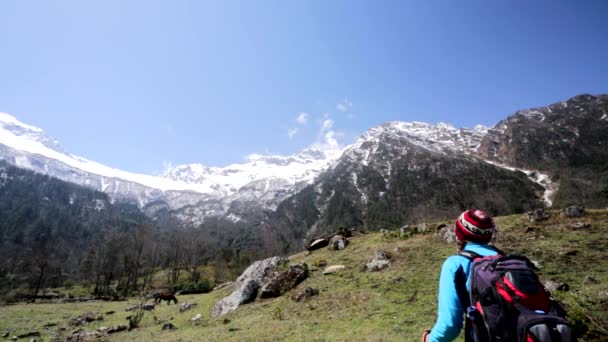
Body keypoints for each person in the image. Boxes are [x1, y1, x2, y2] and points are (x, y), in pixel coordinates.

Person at [422, 209, 499, 342]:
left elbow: (450, 325)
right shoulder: (509, 261)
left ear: (460, 234)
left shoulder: (456, 264)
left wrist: (429, 339)